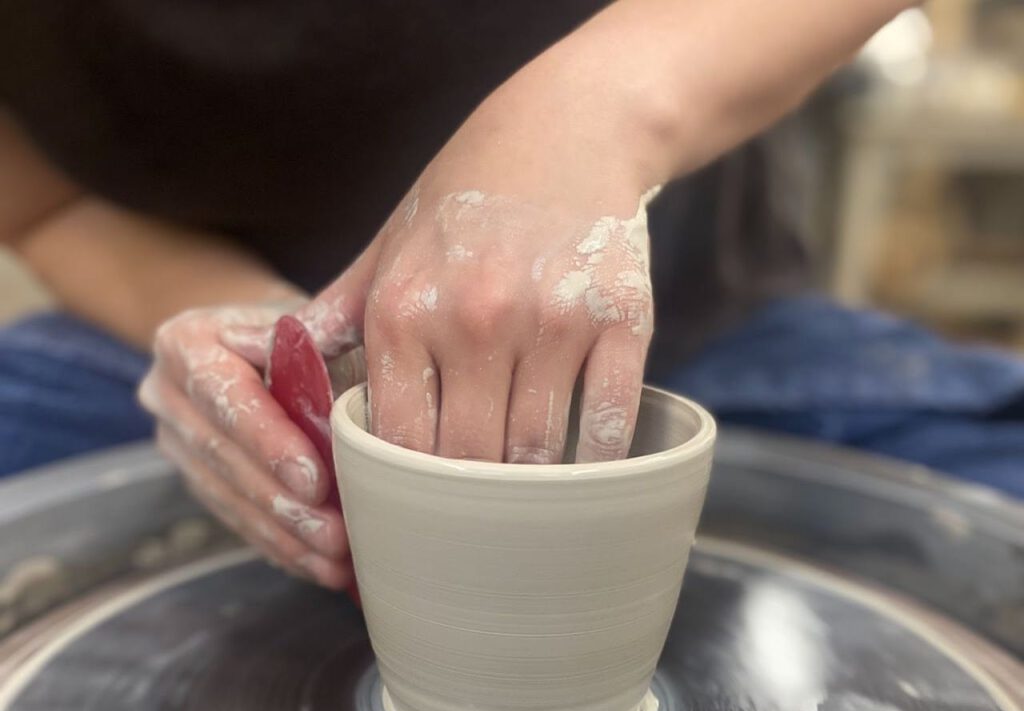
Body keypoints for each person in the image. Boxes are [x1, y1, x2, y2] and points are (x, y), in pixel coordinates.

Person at [2, 1, 1022, 591]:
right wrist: (266, 345)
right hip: (212, 361)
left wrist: (604, 104)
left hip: (693, 329)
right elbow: (40, 203)